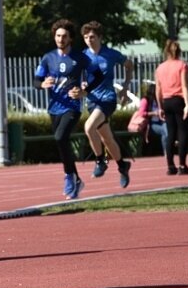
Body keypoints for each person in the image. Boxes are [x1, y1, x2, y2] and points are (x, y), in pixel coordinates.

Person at [34, 19, 102, 199]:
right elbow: (35, 81)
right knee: (60, 142)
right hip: (54, 107)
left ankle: (68, 176)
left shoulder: (80, 57)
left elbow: (98, 75)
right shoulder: (48, 58)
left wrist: (84, 91)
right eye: (58, 36)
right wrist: (42, 84)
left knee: (60, 137)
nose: (60, 39)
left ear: (70, 38)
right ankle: (76, 178)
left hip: (72, 107)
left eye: (64, 36)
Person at [81, 21, 133, 188]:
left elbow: (129, 65)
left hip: (108, 99)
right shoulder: (82, 56)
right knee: (107, 139)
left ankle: (100, 161)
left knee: (89, 127)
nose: (89, 40)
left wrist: (125, 88)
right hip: (92, 101)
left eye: (92, 37)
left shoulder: (110, 54)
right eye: (86, 37)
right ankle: (122, 165)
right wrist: (80, 85)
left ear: (100, 37)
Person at [155, 39, 188, 175]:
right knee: (183, 132)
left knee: (171, 133)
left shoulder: (160, 68)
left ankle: (170, 166)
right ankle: (182, 166)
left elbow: (158, 89)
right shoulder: (182, 65)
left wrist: (160, 106)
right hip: (179, 100)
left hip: (166, 101)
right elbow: (184, 85)